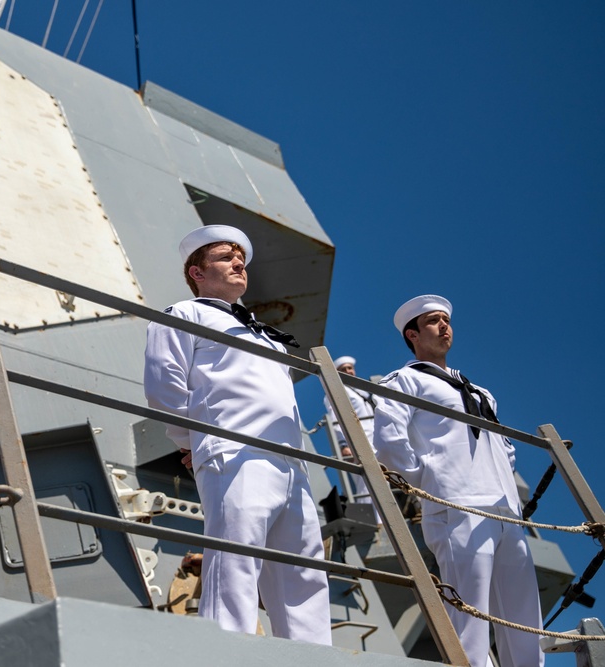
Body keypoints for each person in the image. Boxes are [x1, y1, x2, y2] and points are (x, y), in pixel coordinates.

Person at [143, 225, 331, 643]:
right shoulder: (184, 314)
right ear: (197, 273)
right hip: (235, 452)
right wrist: (195, 441)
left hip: (290, 462)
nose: (238, 263)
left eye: (240, 258)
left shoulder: (268, 337)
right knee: (236, 561)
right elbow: (164, 385)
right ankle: (228, 652)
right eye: (226, 257)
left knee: (304, 576)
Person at [373, 295, 542, 667]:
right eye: (433, 321)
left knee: (525, 619)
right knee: (470, 617)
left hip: (505, 510)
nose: (444, 326)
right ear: (413, 335)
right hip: (456, 506)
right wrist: (428, 483)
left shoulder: (481, 393)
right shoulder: (406, 381)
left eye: (446, 320)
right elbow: (388, 443)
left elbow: (505, 448)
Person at [323, 356, 379, 521]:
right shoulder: (336, 392)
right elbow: (335, 420)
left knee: (382, 479)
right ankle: (373, 521)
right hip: (357, 442)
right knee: (367, 481)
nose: (348, 371)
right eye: (343, 369)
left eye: (350, 368)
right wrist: (343, 444)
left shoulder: (362, 391)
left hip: (375, 439)